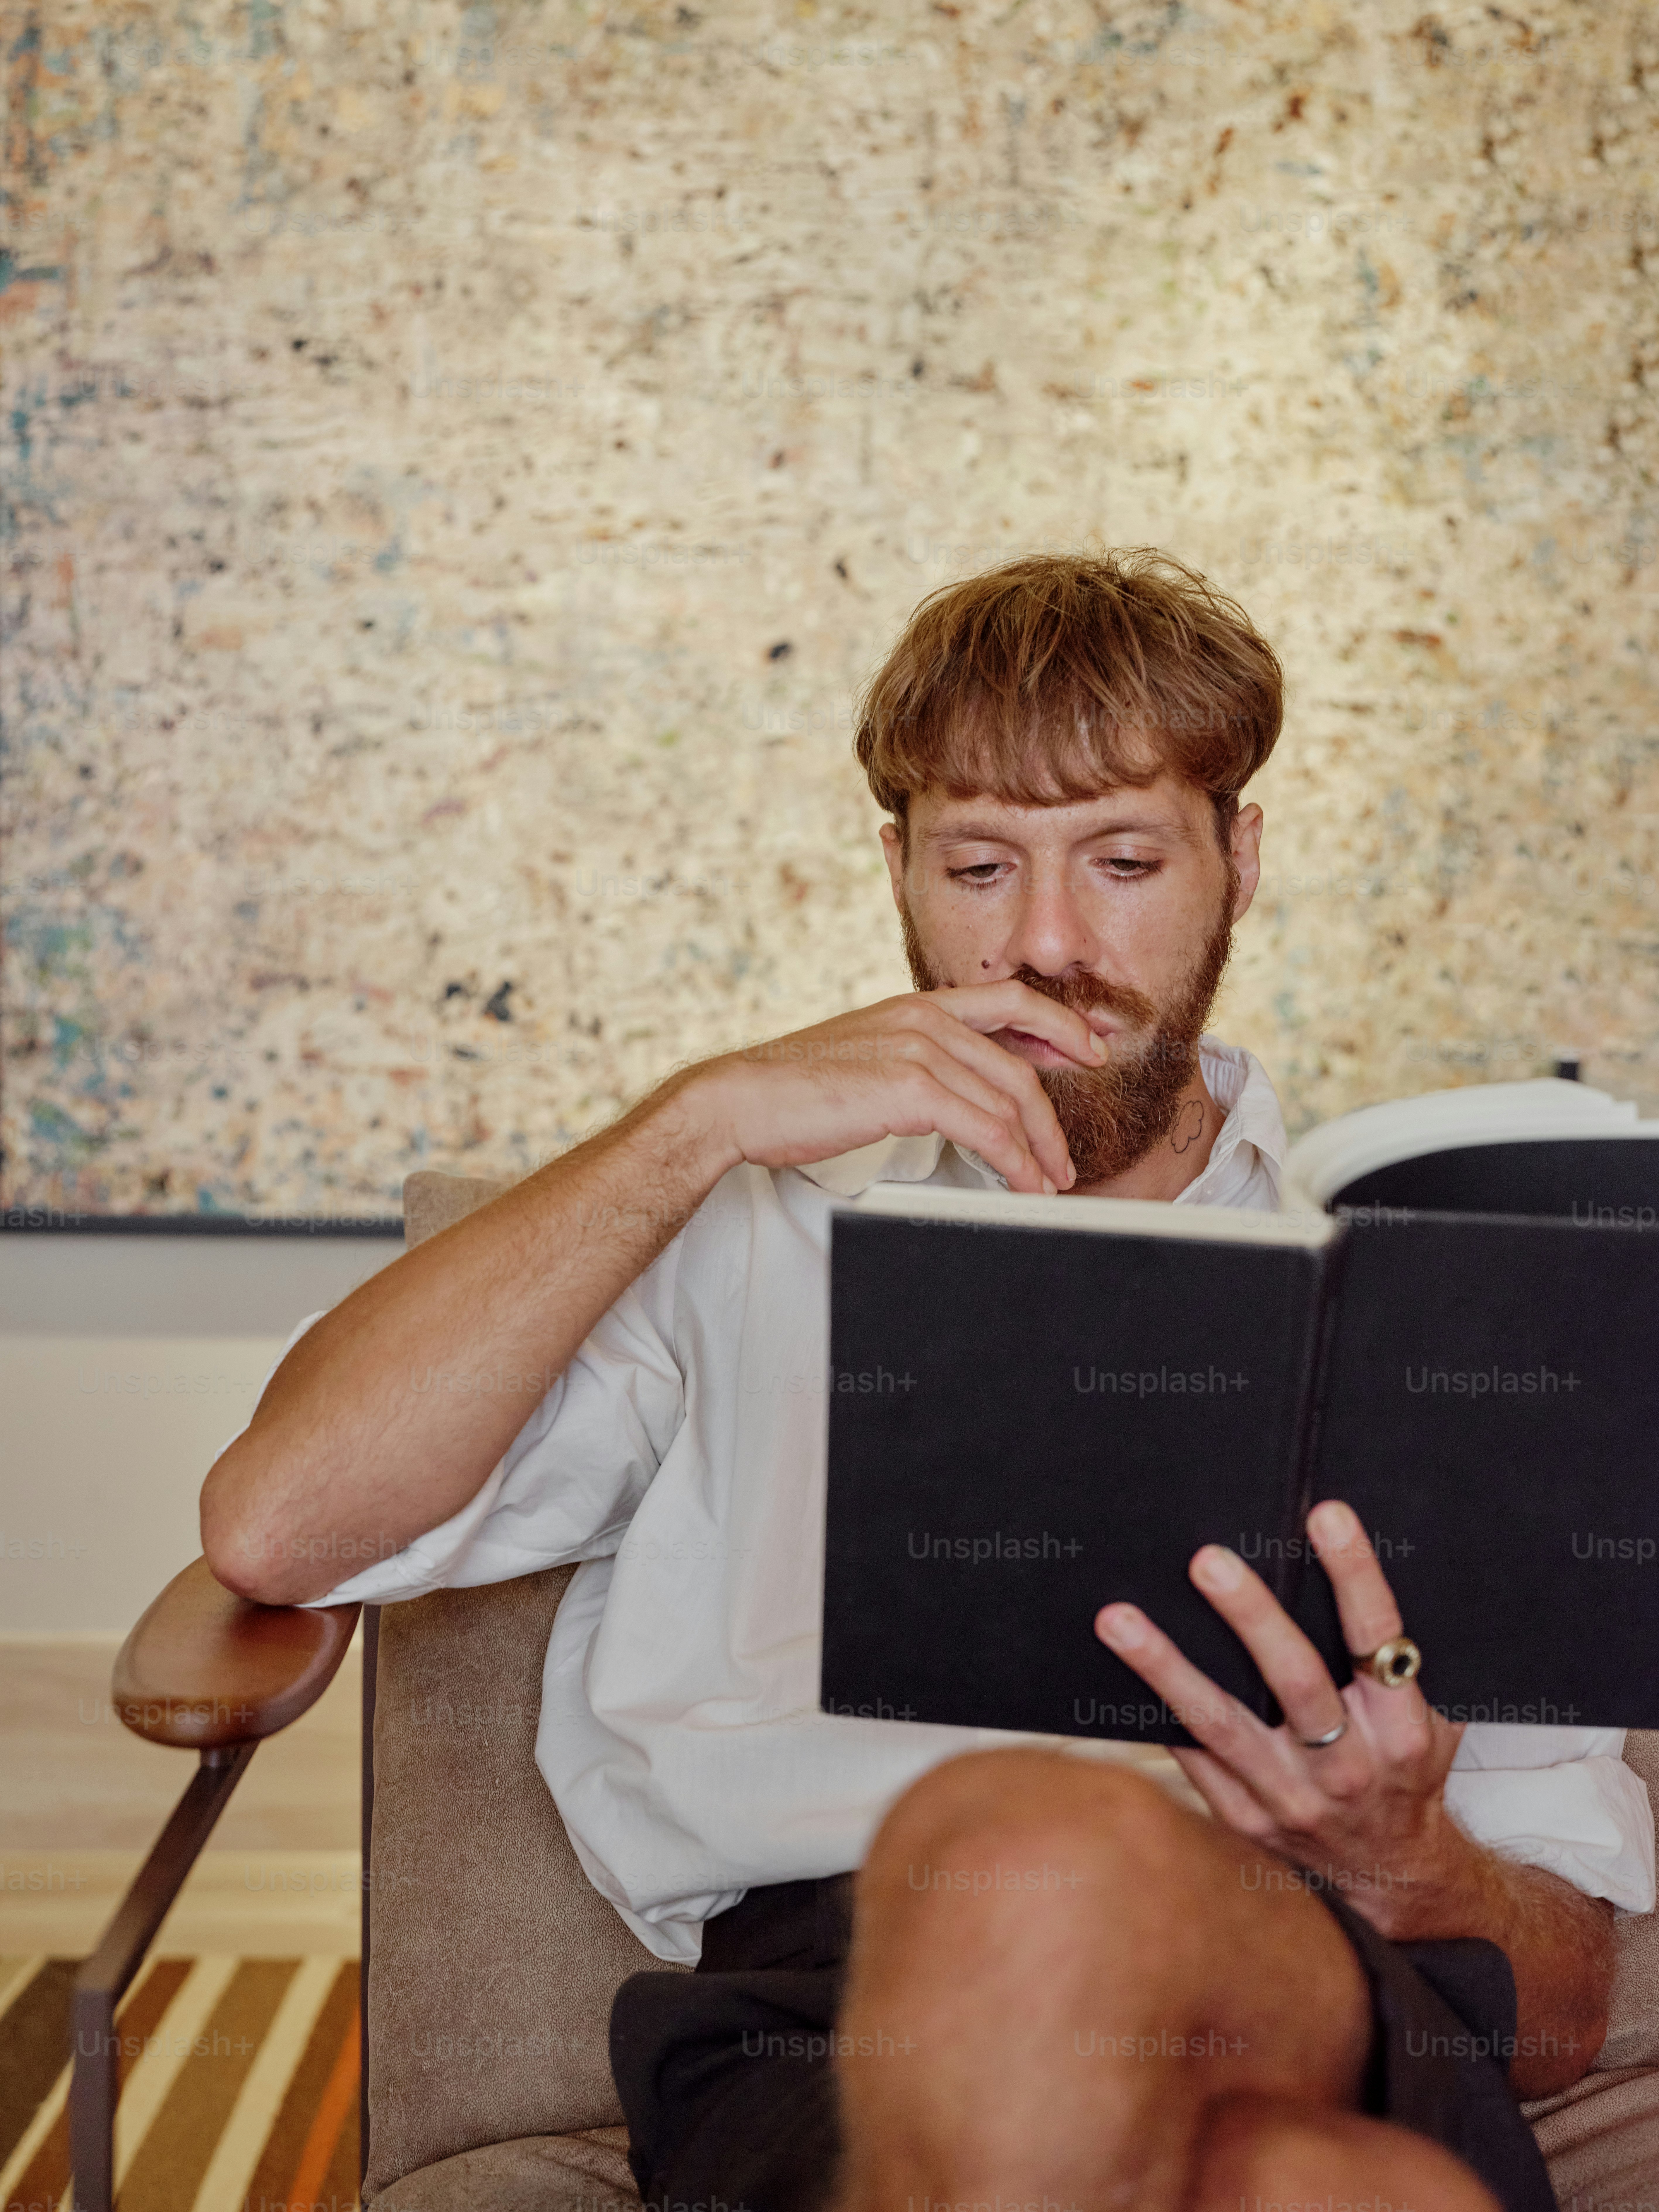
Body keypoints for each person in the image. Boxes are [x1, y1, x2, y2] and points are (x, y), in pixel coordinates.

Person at [202, 551, 1654, 2211]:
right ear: (894, 867)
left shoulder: (1420, 1295)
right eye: (978, 865)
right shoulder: (732, 1225)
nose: (1043, 944)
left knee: (1072, 1872)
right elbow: (279, 1525)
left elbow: (1559, 2013)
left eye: (1120, 861)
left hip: (1317, 1954)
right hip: (831, 2012)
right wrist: (694, 1121)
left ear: (1235, 861)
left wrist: (1405, 1855)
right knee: (1293, 2174)